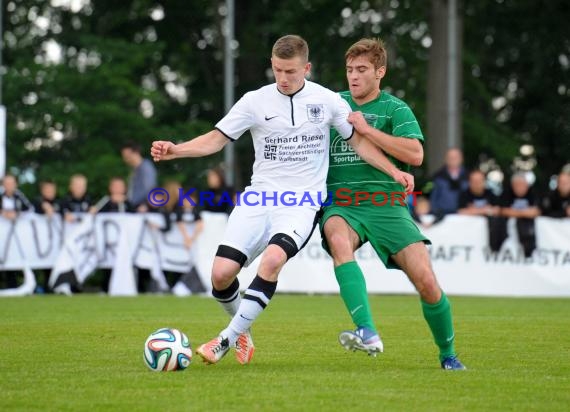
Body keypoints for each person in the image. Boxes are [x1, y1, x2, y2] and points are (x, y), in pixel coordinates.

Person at [151, 34, 413, 365]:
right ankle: (242, 331)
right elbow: (217, 139)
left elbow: (360, 144)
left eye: (290, 71)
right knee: (220, 275)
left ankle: (224, 340)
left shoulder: (328, 100)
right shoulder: (254, 101)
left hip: (301, 203)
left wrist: (393, 171)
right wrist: (177, 149)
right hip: (258, 199)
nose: (284, 79)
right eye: (277, 70)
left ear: (307, 68)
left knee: (273, 261)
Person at [320, 38, 466, 370]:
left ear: (380, 72)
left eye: (361, 70)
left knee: (427, 282)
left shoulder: (394, 109)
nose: (353, 77)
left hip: (387, 204)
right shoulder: (332, 105)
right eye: (349, 70)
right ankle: (366, 330)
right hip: (341, 203)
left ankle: (448, 355)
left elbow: (415, 155)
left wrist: (368, 130)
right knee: (339, 241)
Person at [499, 173, 540, 257]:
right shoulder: (506, 193)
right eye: (517, 185)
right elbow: (502, 211)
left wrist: (515, 213)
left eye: (522, 185)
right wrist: (524, 213)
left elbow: (536, 211)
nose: (519, 188)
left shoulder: (533, 193)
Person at [430, 148, 469, 217]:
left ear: (461, 158)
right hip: (442, 215)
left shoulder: (469, 176)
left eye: (455, 157)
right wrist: (435, 213)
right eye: (450, 157)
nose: (453, 159)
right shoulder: (438, 176)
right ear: (445, 159)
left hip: (464, 216)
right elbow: (433, 197)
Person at [121, 141, 158, 212]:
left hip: (142, 207)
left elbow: (149, 188)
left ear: (136, 152)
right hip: (135, 206)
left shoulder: (146, 167)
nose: (125, 159)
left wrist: (145, 204)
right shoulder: (134, 169)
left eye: (127, 156)